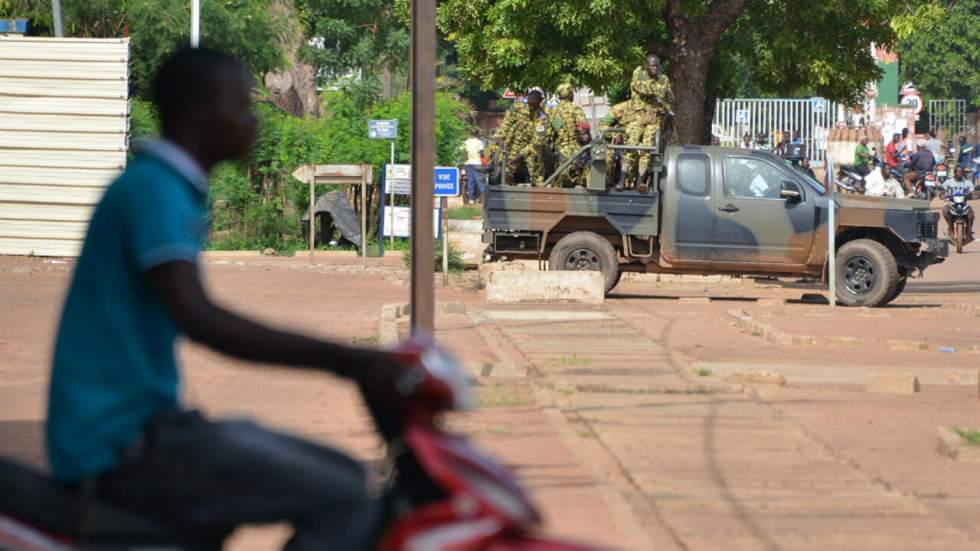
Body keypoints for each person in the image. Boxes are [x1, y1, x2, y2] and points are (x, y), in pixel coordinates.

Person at [46, 47, 408, 551]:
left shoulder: (167, 186)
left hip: (148, 427)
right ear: (199, 111)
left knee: (344, 472)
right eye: (242, 106)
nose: (252, 121)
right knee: (343, 494)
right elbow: (199, 317)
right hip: (120, 444)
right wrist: (350, 361)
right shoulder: (153, 190)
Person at [498, 88, 552, 186]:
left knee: (538, 173)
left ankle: (538, 190)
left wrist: (521, 155)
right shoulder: (517, 107)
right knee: (507, 170)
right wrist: (501, 137)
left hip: (532, 148)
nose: (531, 109)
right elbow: (507, 122)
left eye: (534, 106)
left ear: (540, 102)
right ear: (527, 100)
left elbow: (537, 142)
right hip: (515, 143)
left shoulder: (542, 117)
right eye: (529, 104)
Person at [548, 83, 588, 187]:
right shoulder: (576, 109)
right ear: (570, 94)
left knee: (560, 179)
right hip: (576, 150)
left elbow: (547, 133)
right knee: (577, 180)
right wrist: (588, 146)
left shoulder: (551, 111)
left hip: (560, 150)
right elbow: (583, 131)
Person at [941, 166, 975, 240]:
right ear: (954, 173)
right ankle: (950, 228)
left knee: (971, 215)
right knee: (945, 211)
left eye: (961, 172)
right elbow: (943, 189)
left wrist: (971, 194)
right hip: (952, 203)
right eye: (958, 171)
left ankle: (969, 231)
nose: (960, 173)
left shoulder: (967, 182)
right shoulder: (949, 182)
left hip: (964, 204)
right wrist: (943, 194)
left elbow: (971, 190)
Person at [462, 130, 487, 202]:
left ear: (470, 134)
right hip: (477, 163)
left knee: (470, 181)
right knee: (479, 180)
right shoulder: (479, 142)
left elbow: (464, 153)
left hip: (468, 163)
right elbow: (482, 153)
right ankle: (484, 197)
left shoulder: (466, 142)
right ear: (477, 134)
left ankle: (471, 199)